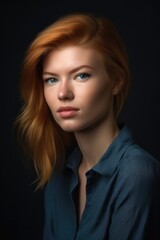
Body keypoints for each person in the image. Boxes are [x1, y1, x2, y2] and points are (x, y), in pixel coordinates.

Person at [16, 12, 160, 240]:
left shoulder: (136, 174)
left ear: (116, 81)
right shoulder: (57, 178)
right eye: (51, 79)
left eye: (81, 75)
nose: (63, 93)